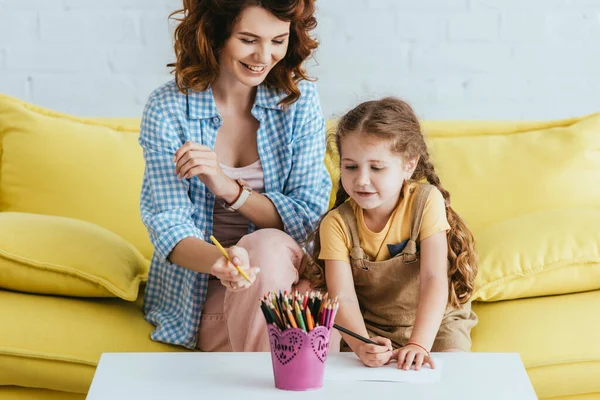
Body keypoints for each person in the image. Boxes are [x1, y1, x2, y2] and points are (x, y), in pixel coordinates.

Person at [138, 0, 331, 352]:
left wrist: (228, 188)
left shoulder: (298, 102)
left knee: (267, 247)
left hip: (285, 276)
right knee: (302, 331)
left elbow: (307, 218)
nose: (264, 55)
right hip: (206, 290)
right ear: (216, 34)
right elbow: (168, 225)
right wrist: (222, 263)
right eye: (248, 39)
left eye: (278, 40)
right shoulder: (167, 109)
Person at [302, 97, 478, 371]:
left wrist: (419, 344)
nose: (361, 179)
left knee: (449, 371)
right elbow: (344, 298)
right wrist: (362, 344)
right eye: (350, 167)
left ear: (408, 165)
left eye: (376, 167)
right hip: (369, 325)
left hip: (436, 321)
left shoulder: (425, 201)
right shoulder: (336, 224)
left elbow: (433, 279)